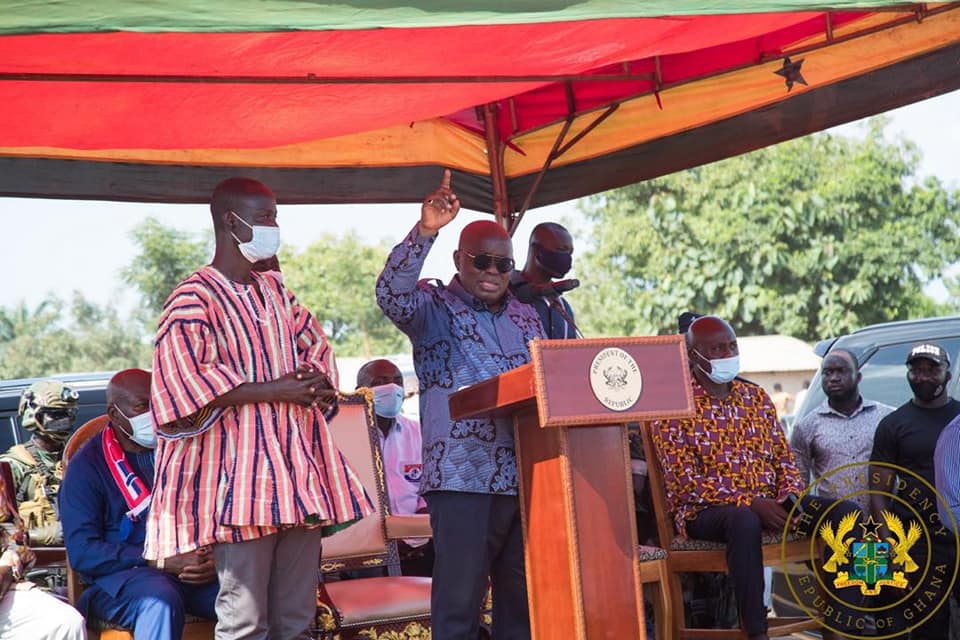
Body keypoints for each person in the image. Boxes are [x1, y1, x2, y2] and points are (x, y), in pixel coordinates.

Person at [145, 177, 373, 639]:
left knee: (297, 620)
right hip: (241, 487)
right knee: (246, 621)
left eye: (275, 216)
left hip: (299, 479)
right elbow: (183, 382)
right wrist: (277, 389)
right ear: (233, 221)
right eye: (266, 216)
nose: (274, 226)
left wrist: (317, 380)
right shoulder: (192, 297)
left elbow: (315, 346)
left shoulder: (275, 292)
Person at [376, 170, 545, 639]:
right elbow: (390, 292)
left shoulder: (526, 316)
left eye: (503, 265)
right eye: (482, 262)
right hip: (461, 477)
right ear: (459, 259)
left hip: (525, 477)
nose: (493, 272)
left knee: (523, 602)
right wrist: (426, 229)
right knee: (459, 602)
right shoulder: (432, 309)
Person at [648, 315, 855, 640]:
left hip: (768, 505)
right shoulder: (673, 408)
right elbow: (685, 482)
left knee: (843, 513)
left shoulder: (755, 398)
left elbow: (783, 458)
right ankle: (757, 630)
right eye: (717, 348)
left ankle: (844, 621)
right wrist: (751, 503)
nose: (728, 354)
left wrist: (787, 497)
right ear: (693, 355)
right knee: (744, 521)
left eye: (732, 346)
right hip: (705, 513)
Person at [60, 368, 217, 639]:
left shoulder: (182, 448)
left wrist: (215, 559)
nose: (154, 414)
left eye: (158, 403)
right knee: (159, 600)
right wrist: (158, 562)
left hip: (193, 571)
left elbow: (215, 512)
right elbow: (82, 551)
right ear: (114, 414)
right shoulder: (86, 467)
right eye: (143, 406)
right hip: (121, 581)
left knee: (248, 597)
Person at [869, 342, 960, 639]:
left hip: (959, 536)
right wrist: (889, 543)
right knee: (928, 626)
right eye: (916, 370)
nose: (923, 377)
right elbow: (878, 491)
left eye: (932, 370)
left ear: (947, 374)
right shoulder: (893, 425)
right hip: (918, 542)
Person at [355, 359, 433, 577]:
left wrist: (416, 530)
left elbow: (431, 484)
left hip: (419, 543)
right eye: (380, 382)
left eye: (397, 381)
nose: (391, 388)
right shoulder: (347, 436)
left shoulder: (418, 432)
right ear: (360, 391)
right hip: (368, 546)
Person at [790, 349, 894, 511]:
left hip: (886, 521)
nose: (834, 378)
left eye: (841, 371)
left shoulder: (885, 417)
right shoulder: (807, 426)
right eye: (828, 372)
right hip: (835, 526)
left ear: (858, 377)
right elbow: (798, 483)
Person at [0, 380, 79, 546]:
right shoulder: (13, 466)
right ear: (33, 414)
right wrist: (38, 536)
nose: (63, 421)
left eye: (68, 414)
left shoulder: (78, 461)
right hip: (34, 568)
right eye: (55, 415)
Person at [508, 222, 578, 339]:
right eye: (561, 250)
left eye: (570, 253)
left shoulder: (564, 307)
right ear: (536, 250)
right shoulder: (506, 293)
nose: (567, 258)